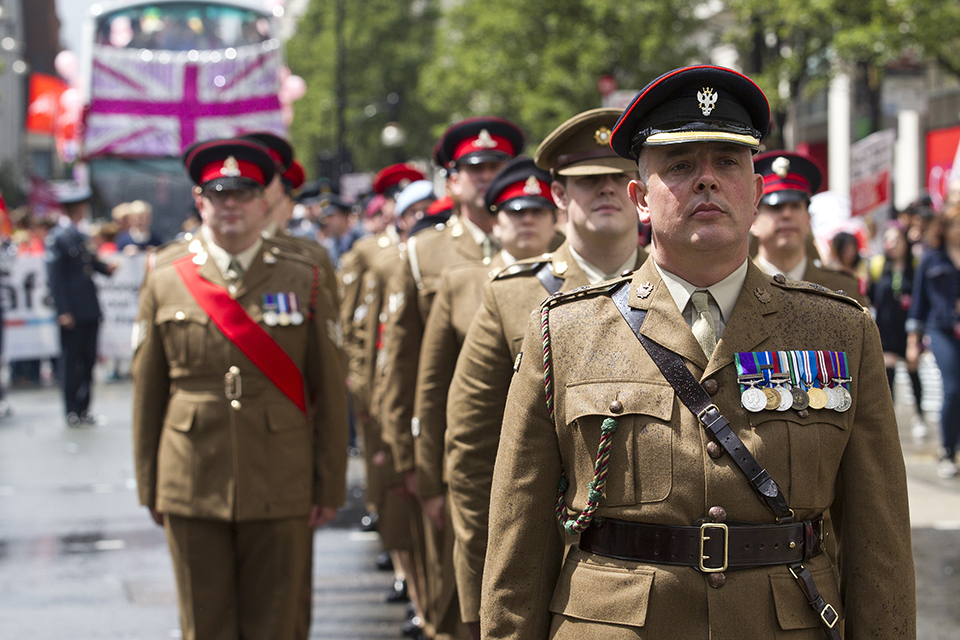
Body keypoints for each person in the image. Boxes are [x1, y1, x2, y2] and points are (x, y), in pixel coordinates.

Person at [481, 65, 915, 639]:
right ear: (640, 198)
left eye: (728, 163)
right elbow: (520, 538)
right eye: (681, 166)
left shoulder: (838, 329)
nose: (706, 181)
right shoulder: (565, 333)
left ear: (756, 192)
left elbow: (878, 540)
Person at [131, 138, 349, 640]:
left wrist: (328, 482)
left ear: (263, 201)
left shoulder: (306, 272)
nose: (231, 204)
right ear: (200, 200)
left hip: (282, 476)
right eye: (218, 193)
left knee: (279, 623)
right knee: (203, 624)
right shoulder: (165, 275)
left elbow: (329, 389)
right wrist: (151, 486)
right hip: (191, 478)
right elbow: (148, 393)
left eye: (244, 193)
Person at [444, 108, 645, 638]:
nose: (606, 191)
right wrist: (479, 590)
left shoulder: (682, 292)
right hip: (550, 558)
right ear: (558, 195)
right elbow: (472, 454)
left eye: (617, 179)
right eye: (587, 181)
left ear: (642, 192)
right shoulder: (512, 298)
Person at [380, 116, 525, 640]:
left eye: (497, 166)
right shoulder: (424, 251)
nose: (486, 177)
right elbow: (404, 364)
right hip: (449, 443)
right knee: (451, 594)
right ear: (452, 179)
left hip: (525, 441)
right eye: (474, 168)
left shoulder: (542, 241)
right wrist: (409, 455)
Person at [750, 150, 868, 306]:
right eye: (776, 207)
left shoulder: (843, 289)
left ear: (808, 220)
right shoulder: (738, 288)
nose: (787, 214)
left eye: (795, 206)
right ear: (753, 221)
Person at [44, 184, 117, 427]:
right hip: (72, 311)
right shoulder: (58, 237)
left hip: (89, 308)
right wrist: (63, 311)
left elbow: (90, 264)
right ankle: (71, 410)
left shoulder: (81, 235)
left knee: (88, 361)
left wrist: (107, 269)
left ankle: (84, 408)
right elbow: (55, 279)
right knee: (71, 362)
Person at [908, 203, 960, 478]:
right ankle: (947, 451)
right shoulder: (931, 258)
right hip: (941, 329)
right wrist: (913, 340)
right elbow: (919, 302)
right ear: (945, 228)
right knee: (952, 388)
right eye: (955, 224)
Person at [867, 221, 927, 440]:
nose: (891, 244)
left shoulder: (916, 266)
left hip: (910, 330)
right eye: (887, 240)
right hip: (887, 328)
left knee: (913, 372)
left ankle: (920, 416)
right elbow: (871, 298)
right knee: (888, 374)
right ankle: (888, 419)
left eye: (896, 240)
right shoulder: (877, 266)